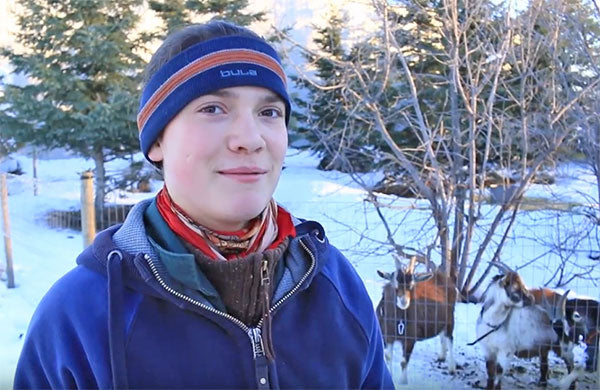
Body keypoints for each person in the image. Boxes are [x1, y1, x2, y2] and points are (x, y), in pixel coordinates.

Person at [14, 20, 393, 389]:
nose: (250, 138)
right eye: (213, 108)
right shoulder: (82, 314)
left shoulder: (332, 283)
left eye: (269, 112)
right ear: (157, 140)